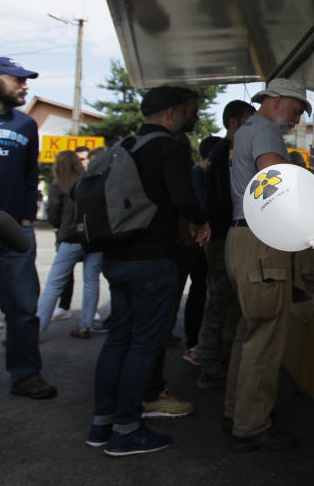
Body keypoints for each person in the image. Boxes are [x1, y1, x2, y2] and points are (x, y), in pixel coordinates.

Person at [86, 85, 210, 456]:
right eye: (190, 111)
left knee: (118, 339)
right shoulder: (170, 147)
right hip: (153, 259)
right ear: (171, 113)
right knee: (145, 343)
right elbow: (184, 198)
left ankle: (102, 424)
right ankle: (126, 430)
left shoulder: (124, 147)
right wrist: (202, 222)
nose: (193, 118)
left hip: (116, 258)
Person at [225, 80, 310, 451]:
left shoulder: (248, 129)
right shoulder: (265, 132)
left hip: (241, 237)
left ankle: (237, 411)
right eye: (294, 108)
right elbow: (274, 182)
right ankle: (253, 425)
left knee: (250, 329)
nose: (297, 117)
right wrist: (309, 182)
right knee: (266, 333)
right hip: (261, 240)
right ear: (273, 101)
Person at [0, 57, 55, 421]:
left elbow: (27, 175)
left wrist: (23, 220)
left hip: (12, 230)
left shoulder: (25, 123)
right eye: (18, 80)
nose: (25, 86)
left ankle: (25, 375)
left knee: (22, 309)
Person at [196, 101, 253, 390]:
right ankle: (210, 364)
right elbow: (226, 201)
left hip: (222, 236)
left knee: (227, 300)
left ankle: (219, 362)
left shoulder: (224, 153)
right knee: (220, 300)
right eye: (248, 121)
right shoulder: (225, 153)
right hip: (220, 238)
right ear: (233, 123)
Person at [35, 150, 103, 339]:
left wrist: (57, 227)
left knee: (54, 284)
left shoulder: (59, 184)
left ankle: (37, 328)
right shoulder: (90, 181)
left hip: (71, 237)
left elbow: (54, 214)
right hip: (94, 238)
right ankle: (85, 326)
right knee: (91, 282)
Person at [178, 135, 222, 366]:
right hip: (201, 243)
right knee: (201, 291)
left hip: (201, 243)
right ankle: (194, 345)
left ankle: (196, 344)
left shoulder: (201, 174)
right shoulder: (200, 174)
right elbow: (199, 209)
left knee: (203, 291)